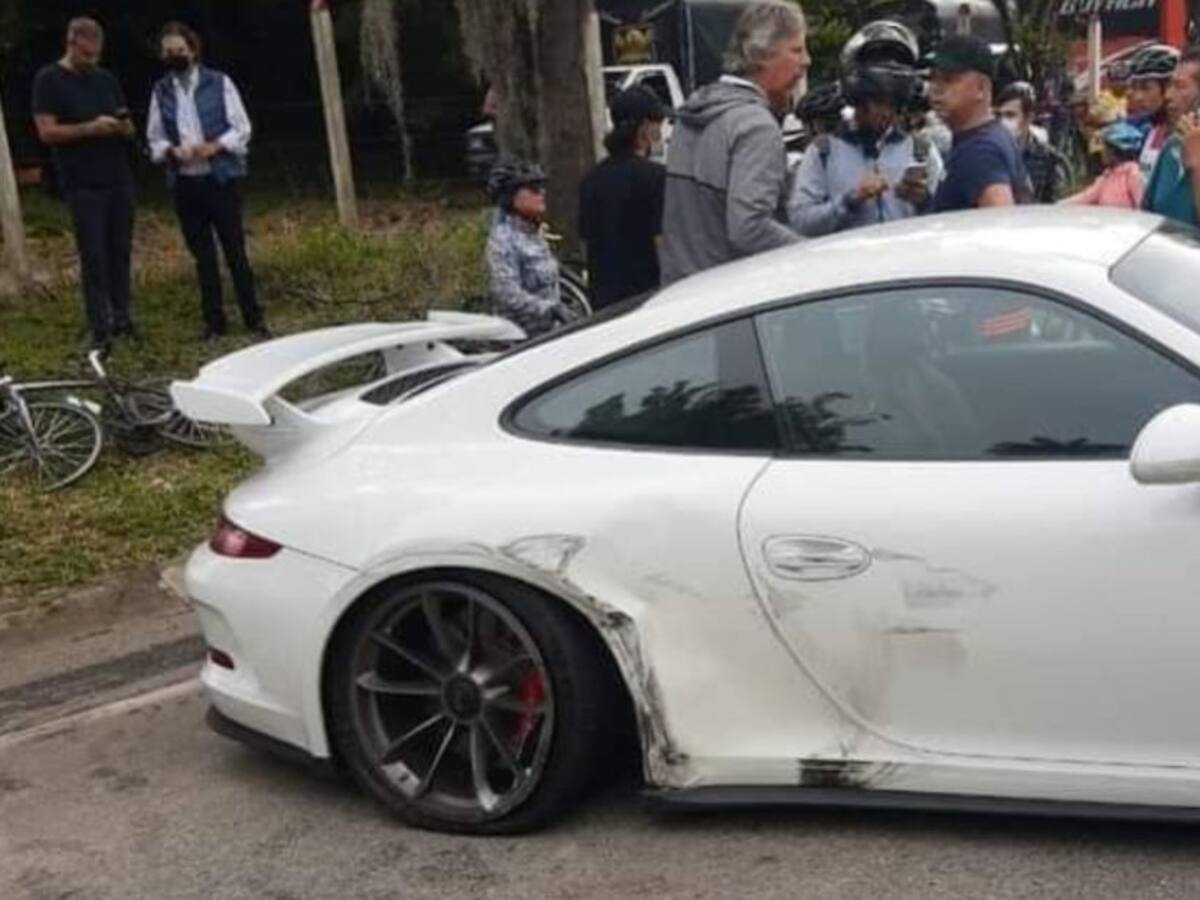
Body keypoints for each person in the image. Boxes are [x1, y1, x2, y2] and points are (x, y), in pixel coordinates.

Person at [659, 1, 808, 284]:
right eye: (797, 50)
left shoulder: (694, 113)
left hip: (680, 295)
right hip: (729, 300)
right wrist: (810, 253)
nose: (806, 62)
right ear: (761, 54)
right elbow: (748, 227)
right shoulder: (755, 126)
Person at [147, 21, 268, 343]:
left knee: (235, 251)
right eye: (169, 52)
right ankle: (214, 321)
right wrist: (172, 152)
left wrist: (214, 146)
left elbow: (241, 128)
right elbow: (154, 139)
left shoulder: (219, 82)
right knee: (203, 256)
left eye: (180, 51)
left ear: (193, 50)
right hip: (186, 183)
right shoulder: (161, 91)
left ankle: (253, 316)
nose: (175, 56)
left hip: (220, 180)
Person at [32, 17, 136, 354]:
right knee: (94, 256)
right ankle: (99, 326)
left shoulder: (105, 79)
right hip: (83, 183)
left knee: (120, 251)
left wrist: (122, 128)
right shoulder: (48, 80)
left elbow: (127, 121)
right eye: (86, 54)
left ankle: (123, 317)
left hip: (118, 177)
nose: (92, 61)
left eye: (96, 55)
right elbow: (47, 132)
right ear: (71, 42)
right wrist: (90, 128)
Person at [789, 22, 943, 236]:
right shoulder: (823, 152)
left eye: (893, 104)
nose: (886, 113)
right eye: (878, 102)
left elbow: (947, 224)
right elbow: (801, 223)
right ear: (858, 98)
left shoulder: (922, 150)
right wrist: (851, 199)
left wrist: (925, 201)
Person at [578, 87, 667, 311]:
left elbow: (586, 240)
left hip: (604, 301)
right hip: (648, 297)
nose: (660, 131)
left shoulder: (591, 180)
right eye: (657, 122)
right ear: (644, 128)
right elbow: (662, 242)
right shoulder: (655, 177)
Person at [929, 34, 1032, 213]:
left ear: (981, 88)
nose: (936, 88)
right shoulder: (981, 138)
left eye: (948, 79)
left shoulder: (981, 151)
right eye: (933, 78)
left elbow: (1000, 224)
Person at [485, 160, 569, 338]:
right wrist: (548, 309)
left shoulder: (533, 232)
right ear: (510, 196)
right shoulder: (503, 239)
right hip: (522, 340)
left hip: (550, 333)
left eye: (541, 187)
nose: (541, 193)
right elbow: (505, 293)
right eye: (533, 189)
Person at [1143, 46, 1200, 228]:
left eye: (1180, 86)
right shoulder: (1172, 147)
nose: (1168, 96)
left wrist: (1196, 166)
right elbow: (1146, 216)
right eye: (1169, 86)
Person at [995, 81, 1071, 204]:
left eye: (1010, 115)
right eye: (999, 115)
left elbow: (1052, 205)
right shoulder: (988, 153)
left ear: (1028, 118)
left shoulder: (1049, 158)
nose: (1002, 122)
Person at [1060, 122, 1146, 209]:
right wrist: (1057, 206)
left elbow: (1141, 207)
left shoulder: (1133, 174)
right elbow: (1086, 196)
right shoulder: (1107, 175)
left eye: (1105, 148)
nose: (1102, 152)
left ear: (1115, 150)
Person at [1127, 44, 1180, 181]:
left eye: (1146, 88)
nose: (1138, 97)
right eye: (1135, 87)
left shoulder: (1188, 135)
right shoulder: (1152, 131)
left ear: (1169, 87)